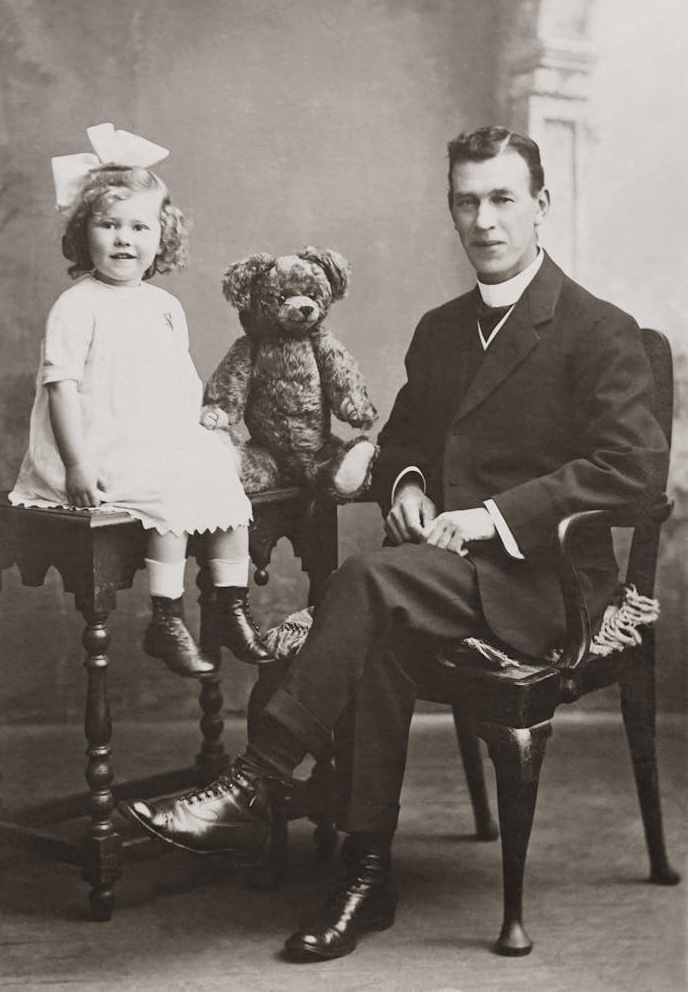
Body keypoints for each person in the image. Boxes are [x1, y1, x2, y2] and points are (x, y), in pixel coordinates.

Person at [124, 126, 668, 961]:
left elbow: (632, 471)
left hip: (546, 583)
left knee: (369, 584)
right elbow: (404, 441)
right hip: (440, 574)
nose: (483, 220)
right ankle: (366, 870)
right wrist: (407, 484)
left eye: (502, 199)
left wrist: (493, 518)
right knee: (375, 625)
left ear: (541, 207)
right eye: (466, 200)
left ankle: (257, 778)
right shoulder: (442, 329)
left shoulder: (598, 327)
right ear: (451, 208)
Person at [10, 123, 275, 675]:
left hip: (151, 437)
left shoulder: (163, 306)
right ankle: (166, 616)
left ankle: (230, 605)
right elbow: (61, 389)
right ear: (86, 233)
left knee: (220, 475)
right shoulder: (77, 305)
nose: (124, 239)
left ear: (163, 235)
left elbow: (174, 382)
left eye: (139, 226)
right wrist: (78, 463)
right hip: (94, 446)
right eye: (108, 225)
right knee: (170, 483)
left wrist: (199, 423)